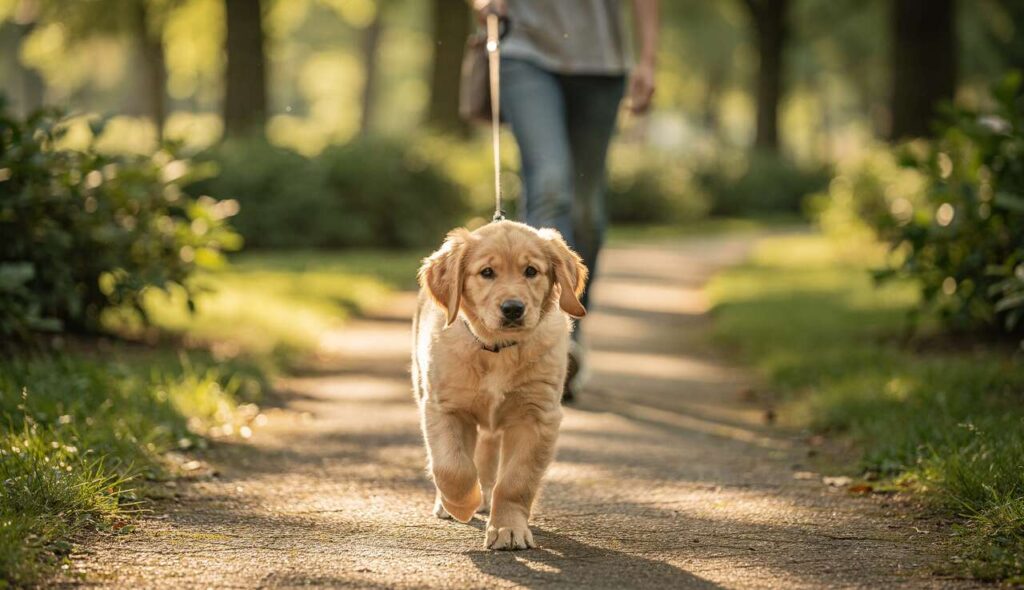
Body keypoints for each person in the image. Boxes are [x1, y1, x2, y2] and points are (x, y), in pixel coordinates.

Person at [473, 0, 659, 401]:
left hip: (602, 60)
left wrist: (648, 58)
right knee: (551, 182)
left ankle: (573, 325)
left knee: (585, 207)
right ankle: (548, 340)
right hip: (525, 48)